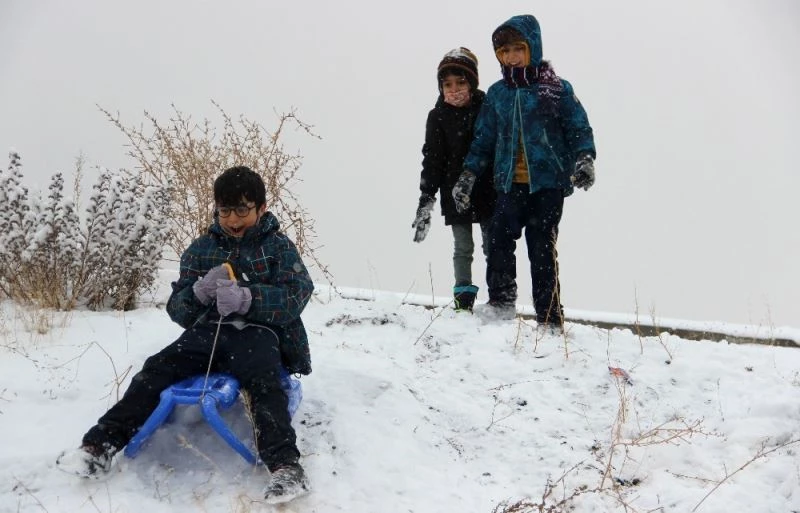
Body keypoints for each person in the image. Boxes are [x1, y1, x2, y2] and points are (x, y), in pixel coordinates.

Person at [56, 166, 314, 504]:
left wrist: (249, 298)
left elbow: (297, 294)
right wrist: (199, 292)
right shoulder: (201, 249)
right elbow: (179, 310)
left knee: (265, 382)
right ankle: (99, 446)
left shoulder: (278, 247)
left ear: (261, 208)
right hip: (208, 333)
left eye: (242, 210)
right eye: (225, 210)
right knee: (156, 369)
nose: (232, 219)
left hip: (260, 334)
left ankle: (285, 467)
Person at [451, 14, 596, 330]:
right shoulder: (498, 94)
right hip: (509, 185)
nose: (512, 57)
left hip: (547, 185)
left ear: (533, 47)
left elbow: (578, 128)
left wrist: (585, 158)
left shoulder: (556, 89)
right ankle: (501, 303)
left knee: (542, 249)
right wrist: (468, 175)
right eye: (505, 52)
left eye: (519, 49)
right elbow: (483, 139)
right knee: (499, 241)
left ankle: (549, 317)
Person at [412, 47, 495, 311]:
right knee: (462, 246)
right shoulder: (437, 116)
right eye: (447, 84)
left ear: (472, 83)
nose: (454, 89)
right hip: (453, 192)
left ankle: (498, 297)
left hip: (486, 188)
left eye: (460, 82)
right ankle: (463, 297)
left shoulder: (486, 109)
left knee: (492, 244)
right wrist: (427, 197)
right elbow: (432, 159)